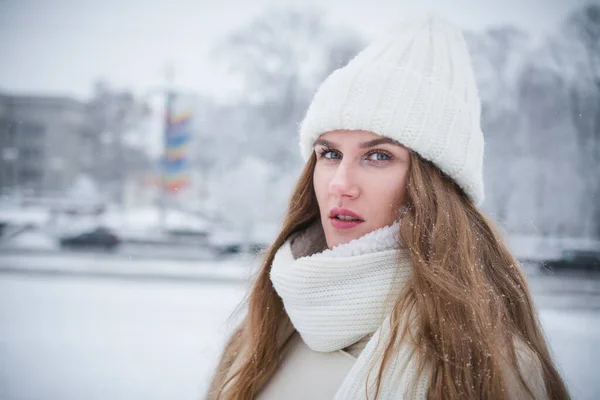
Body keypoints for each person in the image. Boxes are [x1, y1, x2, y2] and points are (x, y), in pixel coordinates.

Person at [207, 15, 570, 400]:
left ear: (435, 186)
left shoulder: (489, 367)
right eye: (329, 153)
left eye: (378, 156)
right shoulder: (262, 331)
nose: (340, 184)